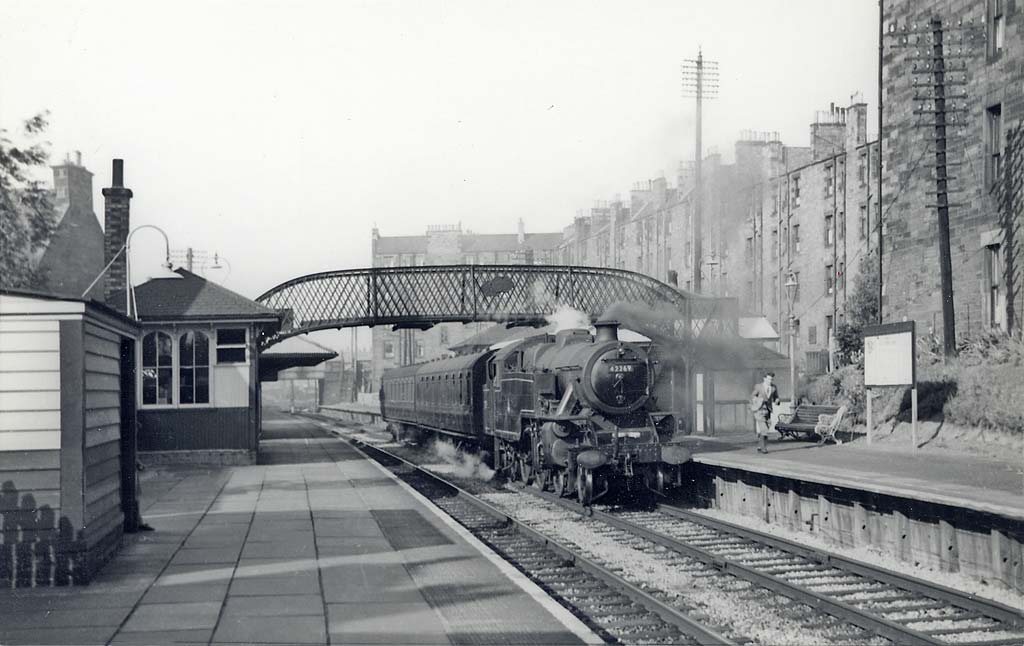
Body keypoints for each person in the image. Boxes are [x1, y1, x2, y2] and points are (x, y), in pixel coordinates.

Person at [749, 371, 780, 454]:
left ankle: (760, 445)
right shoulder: (758, 387)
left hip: (768, 411)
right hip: (759, 410)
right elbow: (752, 396)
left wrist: (777, 401)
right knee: (764, 429)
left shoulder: (774, 387)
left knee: (767, 427)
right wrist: (756, 402)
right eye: (769, 379)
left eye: (772, 379)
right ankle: (764, 448)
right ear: (765, 378)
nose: (770, 381)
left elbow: (776, 397)